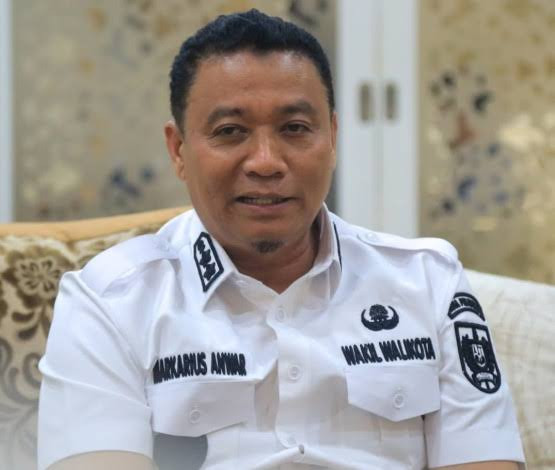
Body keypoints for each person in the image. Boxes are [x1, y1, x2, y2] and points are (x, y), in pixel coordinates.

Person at [37, 9, 525, 470]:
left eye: (295, 128)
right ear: (178, 149)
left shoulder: (427, 281)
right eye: (231, 131)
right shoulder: (110, 302)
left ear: (332, 137)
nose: (266, 162)